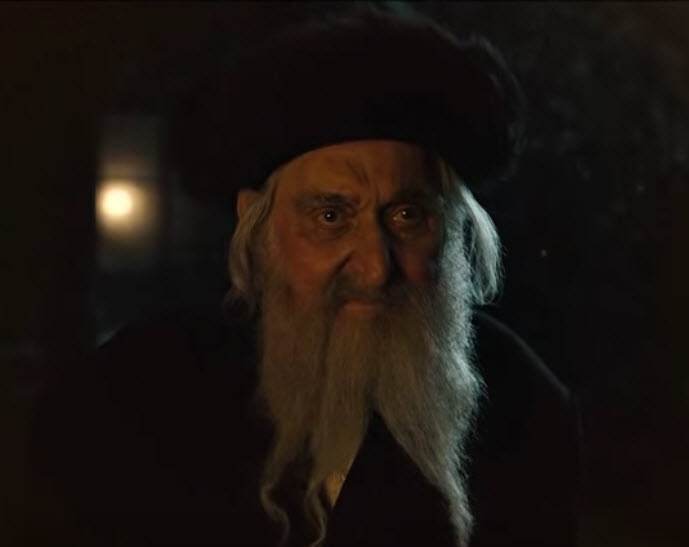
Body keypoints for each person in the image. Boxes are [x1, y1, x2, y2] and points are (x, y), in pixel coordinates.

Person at [29, 6, 579, 547]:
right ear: (257, 224)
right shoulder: (133, 396)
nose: (376, 268)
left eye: (408, 216)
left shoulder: (526, 409)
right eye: (331, 217)